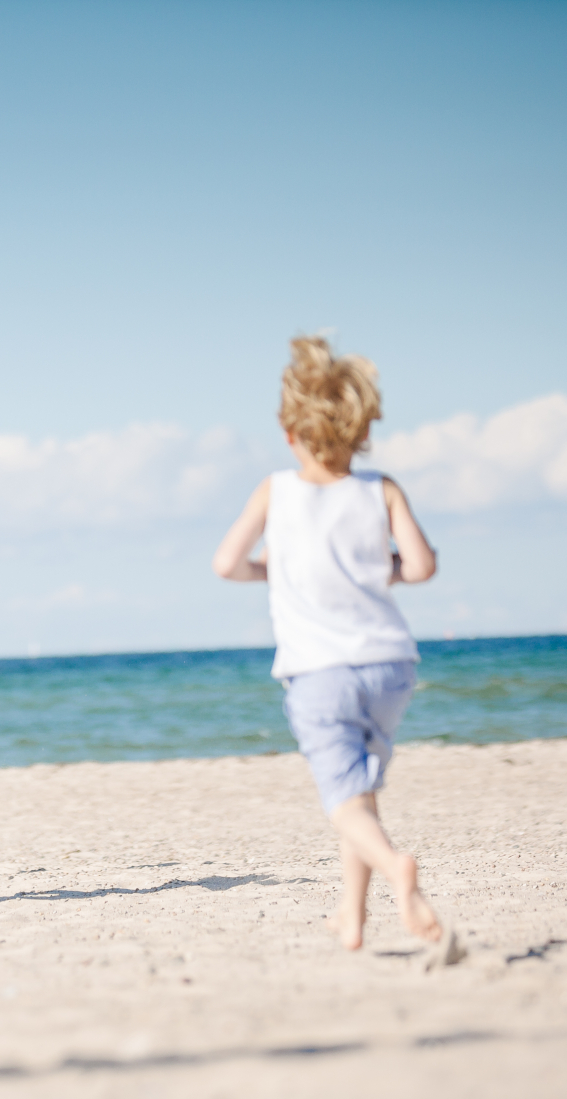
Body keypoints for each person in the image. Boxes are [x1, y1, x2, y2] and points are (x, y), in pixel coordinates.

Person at [212, 335, 451, 957]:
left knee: (342, 801)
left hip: (320, 672)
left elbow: (227, 563)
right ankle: (352, 916)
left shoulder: (275, 491)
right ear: (360, 431)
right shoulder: (382, 489)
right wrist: (384, 570)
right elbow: (422, 567)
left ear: (290, 433)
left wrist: (272, 572)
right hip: (391, 665)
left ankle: (398, 869)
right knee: (360, 791)